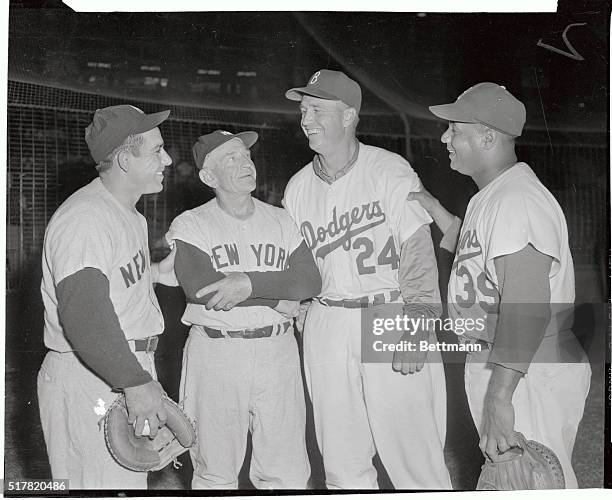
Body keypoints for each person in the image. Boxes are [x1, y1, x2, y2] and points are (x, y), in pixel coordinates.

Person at [410, 82, 591, 488]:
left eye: (455, 130)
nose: (445, 138)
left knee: (532, 482)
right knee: (508, 482)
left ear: (488, 136)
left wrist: (499, 395)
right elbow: (478, 251)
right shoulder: (492, 196)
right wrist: (433, 207)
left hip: (526, 370)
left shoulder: (517, 201)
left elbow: (525, 306)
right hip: (507, 365)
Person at [282, 69, 452, 489]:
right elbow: (297, 266)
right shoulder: (296, 188)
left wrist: (417, 329)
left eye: (318, 109)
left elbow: (418, 253)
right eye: (304, 110)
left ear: (349, 116)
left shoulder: (389, 170)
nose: (307, 119)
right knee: (341, 459)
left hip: (388, 312)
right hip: (326, 322)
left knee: (414, 454)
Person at [165, 130, 321, 489]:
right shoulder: (192, 223)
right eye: (231, 159)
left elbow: (310, 280)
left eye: (246, 155)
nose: (245, 163)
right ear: (208, 176)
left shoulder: (281, 219)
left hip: (277, 350)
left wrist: (248, 285)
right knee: (215, 470)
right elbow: (201, 288)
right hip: (216, 351)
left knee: (288, 472)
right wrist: (274, 297)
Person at [38, 105, 178, 489]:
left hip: (116, 367)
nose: (167, 159)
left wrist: (155, 274)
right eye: (156, 150)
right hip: (93, 373)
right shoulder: (86, 217)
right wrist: (134, 382)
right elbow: (83, 313)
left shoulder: (127, 213)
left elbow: (108, 285)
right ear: (124, 159)